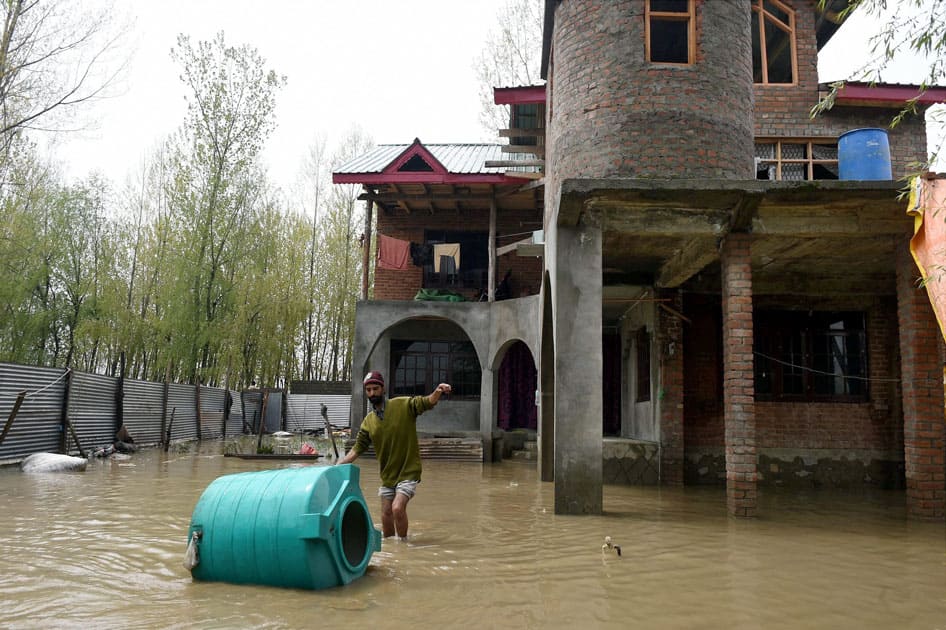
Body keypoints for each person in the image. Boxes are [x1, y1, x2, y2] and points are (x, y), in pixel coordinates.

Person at [336, 370, 451, 540]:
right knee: (385, 514)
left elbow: (427, 402)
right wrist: (339, 465)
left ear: (383, 389)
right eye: (368, 390)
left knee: (397, 508)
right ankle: (390, 548)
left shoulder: (403, 405)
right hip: (388, 475)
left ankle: (403, 546)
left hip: (408, 471)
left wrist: (438, 391)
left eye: (375, 388)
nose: (372, 393)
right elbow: (357, 449)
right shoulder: (368, 421)